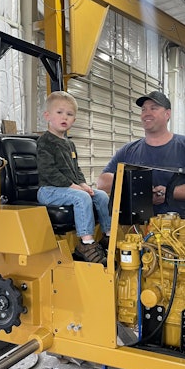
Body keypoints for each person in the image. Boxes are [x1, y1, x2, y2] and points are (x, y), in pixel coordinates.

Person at [97, 90, 185, 217]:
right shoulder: (128, 150)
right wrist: (139, 189)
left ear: (167, 114)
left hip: (183, 228)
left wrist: (168, 192)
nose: (147, 114)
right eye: (143, 110)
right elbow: (103, 182)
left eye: (154, 108)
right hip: (139, 230)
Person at [37, 91, 111, 266]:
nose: (65, 117)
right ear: (47, 116)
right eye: (59, 112)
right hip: (48, 190)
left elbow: (76, 170)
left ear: (74, 120)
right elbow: (49, 172)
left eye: (69, 114)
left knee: (100, 195)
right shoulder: (45, 142)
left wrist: (84, 184)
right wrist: (74, 187)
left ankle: (108, 236)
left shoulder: (69, 144)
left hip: (66, 188)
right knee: (82, 197)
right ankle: (86, 244)